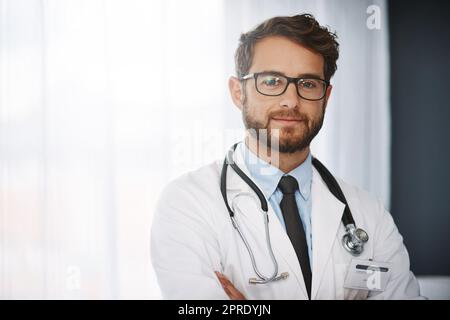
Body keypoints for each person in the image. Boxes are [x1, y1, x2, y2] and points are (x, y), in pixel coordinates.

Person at [150, 13, 422, 300]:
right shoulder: (186, 205)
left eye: (308, 84)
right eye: (271, 81)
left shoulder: (368, 213)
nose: (291, 100)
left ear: (326, 97)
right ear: (238, 92)